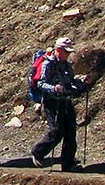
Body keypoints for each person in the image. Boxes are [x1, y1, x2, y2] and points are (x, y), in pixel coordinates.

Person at [31, 37, 91, 172]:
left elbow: (71, 81)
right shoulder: (48, 64)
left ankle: (68, 164)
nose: (68, 54)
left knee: (70, 131)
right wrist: (54, 88)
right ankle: (38, 152)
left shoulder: (66, 65)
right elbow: (40, 83)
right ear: (59, 50)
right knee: (57, 130)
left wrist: (82, 80)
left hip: (65, 101)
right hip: (51, 102)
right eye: (66, 51)